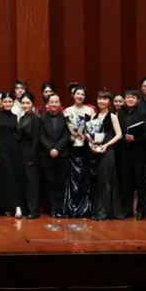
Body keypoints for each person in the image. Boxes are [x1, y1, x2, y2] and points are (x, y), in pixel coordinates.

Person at [88, 90, 123, 220]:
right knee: (99, 179)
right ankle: (100, 209)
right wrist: (91, 145)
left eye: (104, 99)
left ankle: (108, 211)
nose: (101, 101)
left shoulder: (113, 116)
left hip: (108, 150)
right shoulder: (93, 117)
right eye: (99, 99)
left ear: (109, 101)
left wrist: (107, 145)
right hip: (97, 150)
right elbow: (90, 135)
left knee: (107, 179)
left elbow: (119, 134)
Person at [63, 85, 95, 218]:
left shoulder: (90, 111)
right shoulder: (66, 111)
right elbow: (63, 130)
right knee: (72, 176)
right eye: (77, 94)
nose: (80, 96)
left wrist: (86, 136)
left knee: (84, 176)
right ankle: (71, 207)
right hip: (71, 148)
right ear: (73, 95)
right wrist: (70, 136)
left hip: (85, 148)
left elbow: (93, 129)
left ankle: (85, 208)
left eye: (82, 95)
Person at [0, 92, 25, 218]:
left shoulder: (16, 116)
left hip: (13, 148)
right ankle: (8, 206)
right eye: (5, 101)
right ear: (1, 102)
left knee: (15, 177)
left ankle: (16, 206)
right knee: (6, 177)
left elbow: (17, 134)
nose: (7, 104)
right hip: (1, 148)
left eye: (9, 101)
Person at [118, 89, 146, 219]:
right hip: (124, 153)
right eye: (128, 97)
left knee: (141, 181)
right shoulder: (120, 113)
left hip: (140, 152)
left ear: (137, 100)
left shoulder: (144, 113)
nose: (130, 100)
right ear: (124, 99)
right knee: (126, 182)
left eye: (133, 98)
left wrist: (135, 139)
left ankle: (142, 209)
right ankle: (127, 209)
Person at [40, 93, 70, 218]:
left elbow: (66, 135)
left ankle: (60, 208)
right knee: (49, 182)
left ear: (60, 104)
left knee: (61, 182)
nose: (54, 104)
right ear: (48, 104)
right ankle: (52, 208)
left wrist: (57, 148)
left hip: (62, 154)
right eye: (51, 102)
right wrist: (50, 149)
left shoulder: (66, 118)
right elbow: (41, 136)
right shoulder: (41, 118)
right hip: (47, 155)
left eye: (56, 102)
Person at [17, 93, 41, 219]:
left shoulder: (35, 118)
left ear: (32, 104)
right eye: (23, 103)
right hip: (22, 151)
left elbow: (36, 139)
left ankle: (34, 210)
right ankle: (25, 209)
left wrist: (32, 156)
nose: (25, 105)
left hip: (31, 151)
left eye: (28, 103)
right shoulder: (22, 118)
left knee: (32, 182)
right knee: (24, 182)